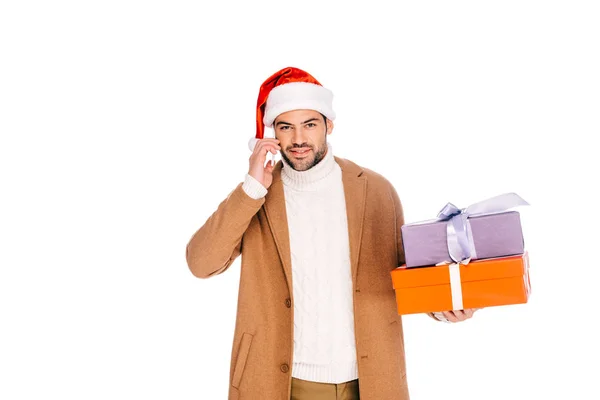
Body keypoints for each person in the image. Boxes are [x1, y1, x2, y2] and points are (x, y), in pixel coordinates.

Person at [185, 66, 479, 400]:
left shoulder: (376, 191)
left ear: (329, 125)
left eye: (309, 124)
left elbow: (404, 276)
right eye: (286, 127)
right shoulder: (257, 197)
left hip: (370, 382)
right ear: (272, 135)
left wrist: (444, 307)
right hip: (280, 384)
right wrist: (251, 188)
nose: (298, 139)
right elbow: (200, 263)